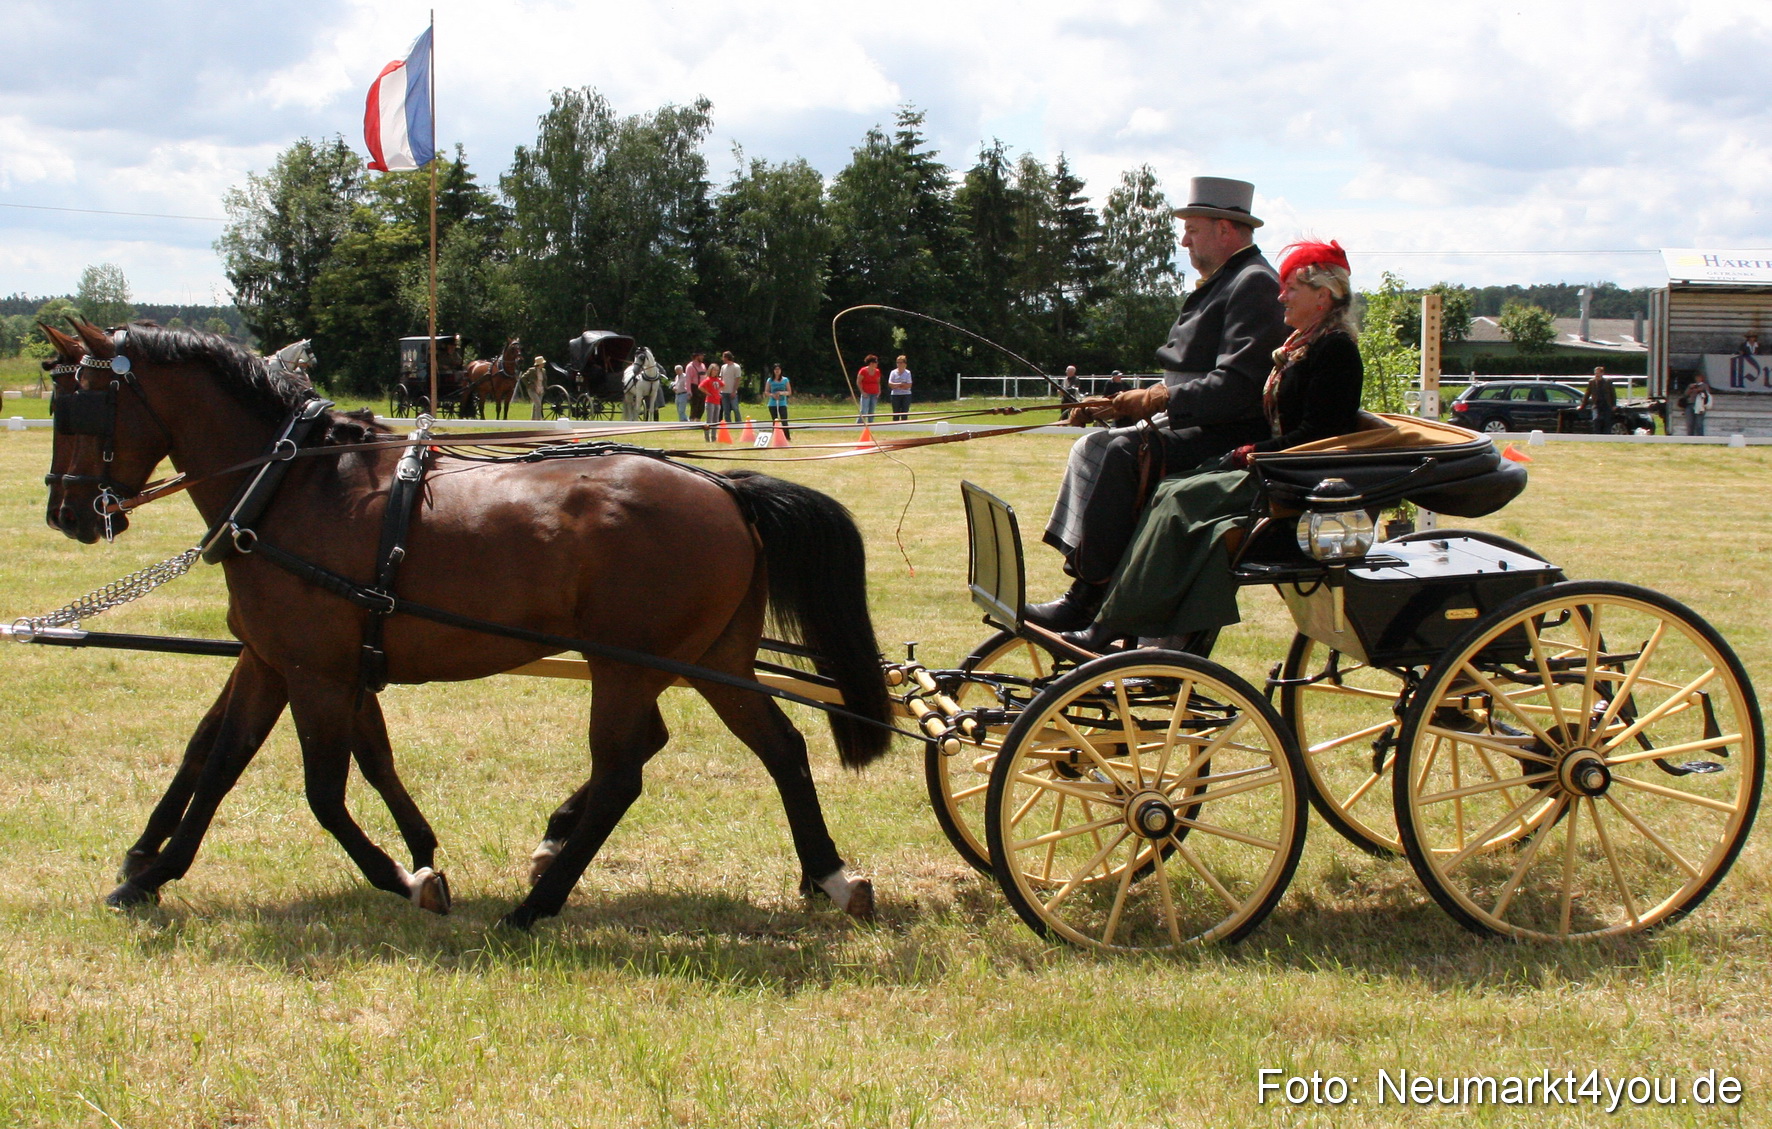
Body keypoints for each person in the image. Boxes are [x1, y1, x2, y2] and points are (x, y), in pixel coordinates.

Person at [1063, 239, 1365, 650]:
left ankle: (1122, 621)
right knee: (1168, 492)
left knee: (1178, 503)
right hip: (1273, 467)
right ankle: (1117, 615)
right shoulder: (1304, 346)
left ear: (1323, 295)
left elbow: (1317, 436)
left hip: (1293, 479)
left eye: (1292, 288)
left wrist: (1253, 451)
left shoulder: (1335, 351)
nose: (1281, 296)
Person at [1024, 176, 1289, 632]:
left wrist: (1155, 400)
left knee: (1125, 451)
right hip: (1192, 420)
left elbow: (1236, 386)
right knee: (1093, 445)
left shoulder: (1254, 283)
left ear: (1226, 229)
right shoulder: (1227, 280)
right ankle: (1092, 579)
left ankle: (1089, 597)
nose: (1184, 239)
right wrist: (1117, 404)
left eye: (1193, 228)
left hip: (1228, 434)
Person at [1579, 365, 1616, 434]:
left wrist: (1614, 405)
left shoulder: (1608, 382)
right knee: (1596, 420)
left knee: (1607, 421)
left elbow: (1613, 394)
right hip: (1596, 404)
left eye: (1598, 373)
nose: (1597, 375)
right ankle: (1597, 435)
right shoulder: (1592, 382)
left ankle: (1606, 435)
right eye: (1595, 373)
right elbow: (1587, 394)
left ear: (1602, 373)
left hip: (1606, 404)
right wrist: (1582, 405)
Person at [698, 363, 725, 440]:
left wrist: (718, 391)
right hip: (710, 401)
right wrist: (707, 393)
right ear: (710, 370)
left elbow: (723, 385)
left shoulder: (717, 380)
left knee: (716, 420)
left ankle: (714, 437)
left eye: (717, 370)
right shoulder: (708, 379)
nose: (715, 372)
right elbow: (700, 386)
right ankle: (707, 437)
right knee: (709, 420)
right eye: (714, 370)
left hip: (717, 401)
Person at [765, 363, 792, 437]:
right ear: (773, 371)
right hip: (772, 404)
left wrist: (781, 393)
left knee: (784, 420)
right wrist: (772, 395)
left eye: (778, 369)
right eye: (775, 369)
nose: (777, 371)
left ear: (781, 370)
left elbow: (789, 392)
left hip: (782, 403)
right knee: (775, 421)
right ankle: (775, 436)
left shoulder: (785, 380)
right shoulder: (770, 380)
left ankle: (787, 437)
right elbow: (766, 392)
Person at [856, 354, 882, 424]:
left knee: (872, 411)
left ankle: (871, 424)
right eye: (876, 362)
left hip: (874, 393)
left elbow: (878, 382)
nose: (877, 364)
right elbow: (858, 382)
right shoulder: (863, 371)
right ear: (871, 363)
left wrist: (879, 391)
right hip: (866, 393)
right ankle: (859, 424)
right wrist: (862, 392)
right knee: (864, 410)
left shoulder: (877, 371)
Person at [719, 351, 743, 423]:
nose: (722, 359)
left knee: (735, 408)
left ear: (726, 357)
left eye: (723, 357)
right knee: (726, 409)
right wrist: (720, 389)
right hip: (724, 391)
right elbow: (721, 378)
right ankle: (728, 423)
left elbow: (737, 379)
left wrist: (734, 391)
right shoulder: (723, 367)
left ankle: (738, 422)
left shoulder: (736, 367)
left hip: (732, 391)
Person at [523, 354, 549, 420]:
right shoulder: (532, 370)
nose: (543, 364)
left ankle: (533, 420)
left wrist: (545, 387)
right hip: (532, 390)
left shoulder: (543, 371)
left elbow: (544, 380)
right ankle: (538, 420)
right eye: (542, 363)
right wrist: (528, 384)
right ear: (539, 364)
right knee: (538, 405)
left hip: (541, 390)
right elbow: (523, 377)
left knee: (536, 405)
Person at [888, 354, 913, 420]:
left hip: (906, 395)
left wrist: (897, 385)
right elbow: (890, 384)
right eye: (897, 362)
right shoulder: (893, 372)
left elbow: (909, 385)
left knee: (904, 412)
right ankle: (895, 427)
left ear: (904, 364)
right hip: (895, 395)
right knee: (896, 412)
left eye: (900, 362)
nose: (899, 364)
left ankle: (904, 427)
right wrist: (901, 384)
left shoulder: (908, 373)